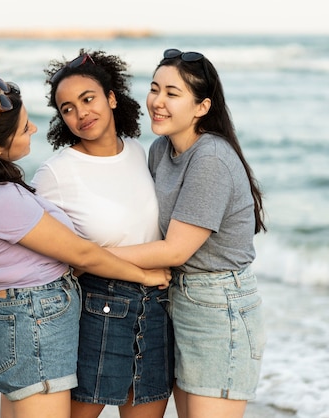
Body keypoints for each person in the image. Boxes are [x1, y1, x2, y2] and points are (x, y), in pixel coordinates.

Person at [0, 50, 174, 418]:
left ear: (111, 97)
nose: (80, 113)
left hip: (155, 307)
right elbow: (10, 223)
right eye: (67, 108)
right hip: (96, 309)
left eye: (88, 99)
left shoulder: (143, 153)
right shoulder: (56, 173)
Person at [108, 49, 268, 418]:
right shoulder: (160, 150)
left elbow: (175, 249)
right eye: (154, 89)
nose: (157, 102)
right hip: (174, 300)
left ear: (202, 107)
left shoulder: (210, 159)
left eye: (172, 93)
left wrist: (87, 256)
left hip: (218, 308)